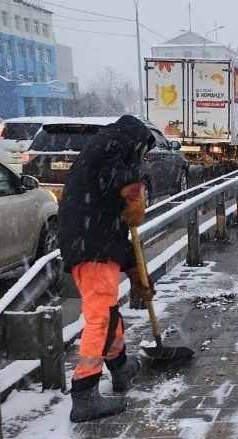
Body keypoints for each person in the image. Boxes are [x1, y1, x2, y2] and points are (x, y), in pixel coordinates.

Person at [58, 115, 157, 423]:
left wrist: (136, 276)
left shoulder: (107, 149)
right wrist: (134, 188)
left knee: (109, 312)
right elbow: (117, 173)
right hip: (92, 247)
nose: (141, 159)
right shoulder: (109, 146)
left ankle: (120, 366)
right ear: (137, 141)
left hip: (96, 241)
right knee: (99, 318)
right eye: (143, 153)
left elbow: (118, 232)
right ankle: (84, 392)